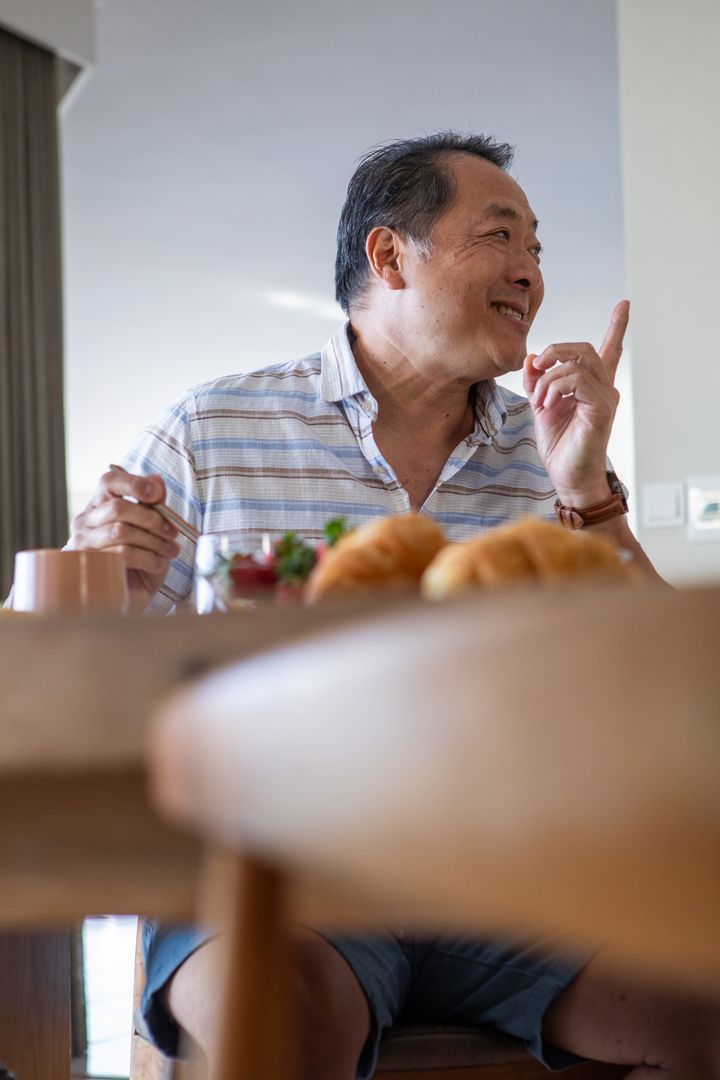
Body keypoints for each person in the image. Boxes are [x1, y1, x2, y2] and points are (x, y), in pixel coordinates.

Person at [70, 133, 719, 1077]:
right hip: (281, 868)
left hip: (510, 876)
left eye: (538, 250)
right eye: (501, 237)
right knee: (282, 1020)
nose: (530, 274)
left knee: (701, 1003)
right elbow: (79, 673)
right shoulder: (215, 428)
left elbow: (672, 685)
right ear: (388, 256)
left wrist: (588, 491)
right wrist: (108, 587)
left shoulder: (547, 451)